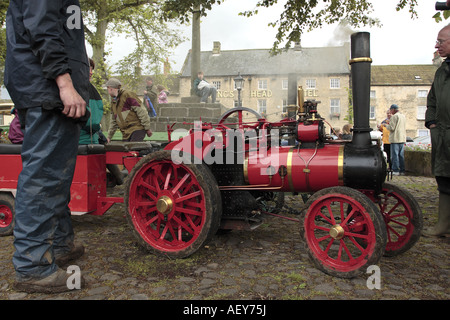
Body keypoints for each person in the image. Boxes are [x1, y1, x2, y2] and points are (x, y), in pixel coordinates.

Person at [4, 0, 89, 293]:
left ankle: (60, 244)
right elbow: (41, 28)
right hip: (46, 89)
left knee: (57, 174)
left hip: (44, 87)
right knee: (44, 176)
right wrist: (65, 83)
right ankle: (33, 266)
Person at [423, 24, 450, 237]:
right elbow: (431, 101)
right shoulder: (442, 71)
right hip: (442, 134)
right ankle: (442, 225)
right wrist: (432, 123)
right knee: (443, 178)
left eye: (440, 41)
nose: (436, 45)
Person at [106, 78, 152, 142]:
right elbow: (114, 121)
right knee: (125, 151)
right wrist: (109, 137)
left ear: (110, 88)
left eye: (107, 88)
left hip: (136, 129)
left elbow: (141, 111)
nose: (107, 91)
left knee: (133, 150)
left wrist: (147, 128)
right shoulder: (114, 102)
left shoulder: (127, 95)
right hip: (126, 133)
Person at [79, 58, 104, 145]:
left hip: (90, 140)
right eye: (88, 68)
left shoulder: (91, 89)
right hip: (80, 141)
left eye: (91, 69)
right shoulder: (81, 89)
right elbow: (92, 122)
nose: (91, 72)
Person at [384, 104, 406, 176]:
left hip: (395, 138)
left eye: (390, 110)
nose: (390, 111)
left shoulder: (394, 117)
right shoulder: (403, 116)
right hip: (402, 138)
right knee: (401, 156)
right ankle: (402, 170)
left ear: (393, 109)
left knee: (395, 155)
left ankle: (396, 170)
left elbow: (392, 128)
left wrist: (386, 125)